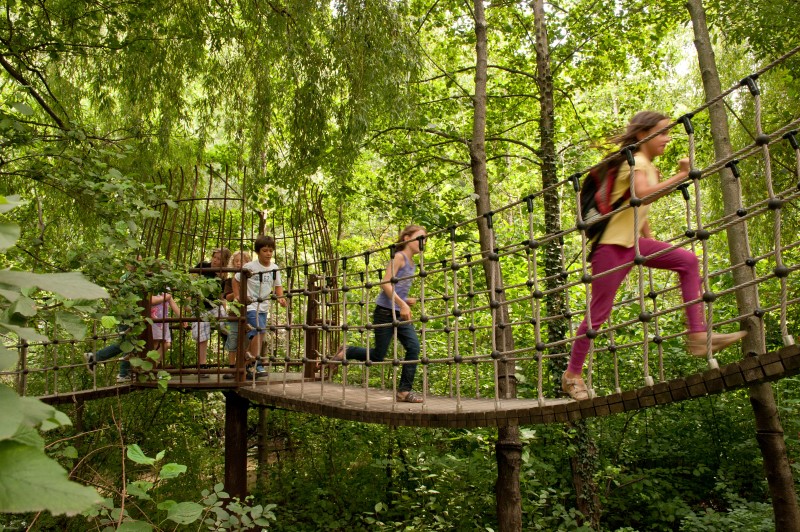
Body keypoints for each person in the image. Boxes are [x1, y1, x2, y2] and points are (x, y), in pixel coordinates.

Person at [562, 111, 747, 401]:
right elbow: (643, 195)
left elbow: (637, 207)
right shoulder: (633, 163)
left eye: (668, 132)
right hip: (611, 249)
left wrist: (651, 242)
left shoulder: (646, 165)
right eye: (662, 132)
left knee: (687, 260)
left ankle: (697, 336)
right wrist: (683, 174)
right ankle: (572, 374)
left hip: (632, 245)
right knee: (598, 313)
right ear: (641, 135)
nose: (667, 138)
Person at [331, 224, 427, 403]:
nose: (424, 242)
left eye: (426, 238)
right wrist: (402, 304)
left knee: (414, 347)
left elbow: (396, 288)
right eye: (420, 237)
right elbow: (385, 284)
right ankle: (348, 350)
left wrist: (405, 302)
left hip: (399, 313)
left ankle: (404, 392)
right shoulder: (399, 257)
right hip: (384, 312)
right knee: (377, 356)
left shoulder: (413, 263)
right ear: (407, 238)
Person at [232, 236, 287, 378]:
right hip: (251, 306)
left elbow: (278, 286)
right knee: (256, 333)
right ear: (258, 252)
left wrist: (280, 298)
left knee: (260, 335)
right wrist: (238, 296)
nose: (268, 254)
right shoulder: (250, 267)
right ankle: (256, 364)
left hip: (263, 307)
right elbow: (235, 279)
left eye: (270, 251)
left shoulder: (274, 268)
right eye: (265, 251)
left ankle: (246, 364)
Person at [85, 255, 142, 383]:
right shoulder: (133, 280)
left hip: (122, 314)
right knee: (128, 343)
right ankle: (120, 372)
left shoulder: (124, 279)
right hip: (128, 315)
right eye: (137, 262)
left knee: (127, 343)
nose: (139, 265)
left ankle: (98, 359)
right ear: (129, 265)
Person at [191, 247, 231, 374]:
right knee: (202, 334)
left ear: (224, 262)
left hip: (214, 307)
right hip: (200, 307)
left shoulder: (223, 275)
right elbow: (190, 281)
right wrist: (188, 300)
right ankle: (202, 366)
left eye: (219, 259)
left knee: (227, 329)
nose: (215, 260)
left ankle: (234, 360)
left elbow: (222, 297)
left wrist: (223, 311)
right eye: (214, 257)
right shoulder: (203, 266)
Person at [222, 250, 251, 379]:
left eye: (242, 261)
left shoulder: (252, 280)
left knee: (248, 341)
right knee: (232, 340)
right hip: (234, 315)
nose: (239, 263)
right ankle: (232, 367)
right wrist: (237, 290)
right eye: (236, 261)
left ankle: (247, 367)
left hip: (250, 314)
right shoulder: (229, 281)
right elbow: (228, 297)